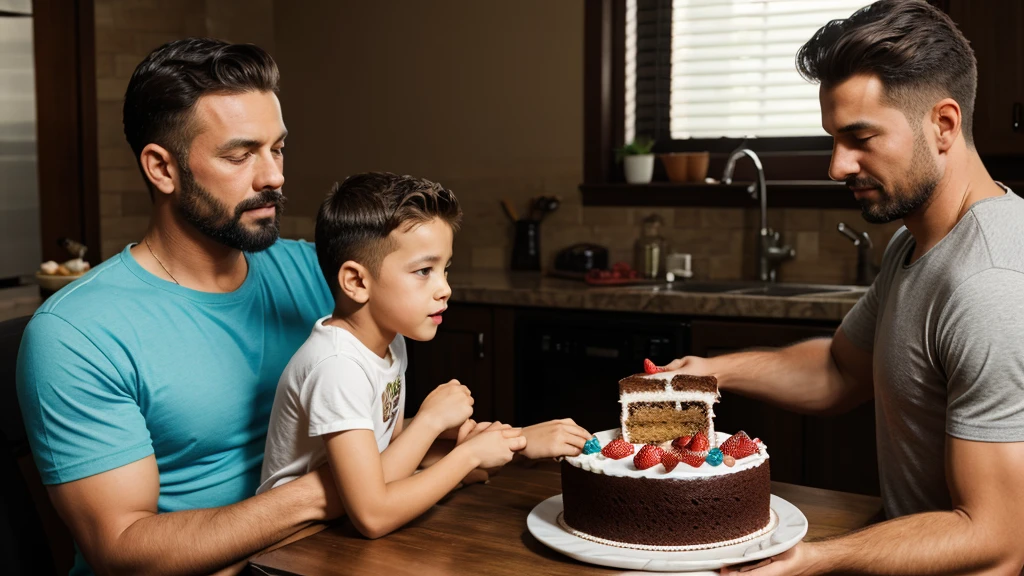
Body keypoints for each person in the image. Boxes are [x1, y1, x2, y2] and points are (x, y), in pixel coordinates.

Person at [663, 2, 1024, 574]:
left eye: (860, 138)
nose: (837, 166)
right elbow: (839, 371)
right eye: (833, 138)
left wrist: (814, 559)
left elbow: (996, 538)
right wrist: (709, 373)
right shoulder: (917, 244)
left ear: (944, 124)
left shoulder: (992, 287)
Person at [259, 173, 566, 538]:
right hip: (293, 543)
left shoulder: (390, 340)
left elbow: (384, 448)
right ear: (357, 282)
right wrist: (442, 434)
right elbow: (373, 515)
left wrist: (506, 443)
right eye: (424, 271)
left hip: (339, 527)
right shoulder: (336, 366)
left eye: (445, 269)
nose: (445, 289)